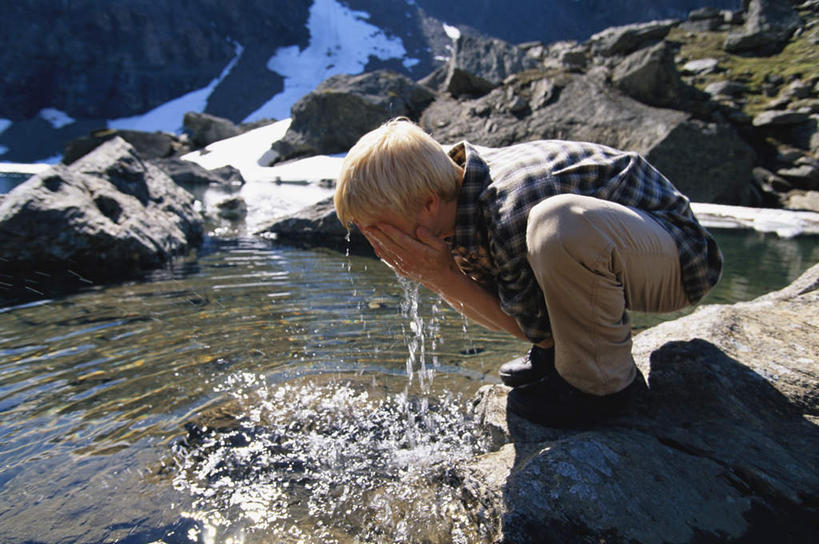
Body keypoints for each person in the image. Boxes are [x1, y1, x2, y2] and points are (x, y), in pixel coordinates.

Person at [334, 118, 722, 427]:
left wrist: (441, 276)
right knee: (548, 242)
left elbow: (535, 327)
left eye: (380, 227)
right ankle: (559, 359)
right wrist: (439, 274)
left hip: (681, 261)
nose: (377, 239)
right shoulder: (457, 193)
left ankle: (605, 385)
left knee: (558, 222)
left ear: (428, 204)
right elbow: (512, 301)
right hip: (628, 254)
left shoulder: (510, 202)